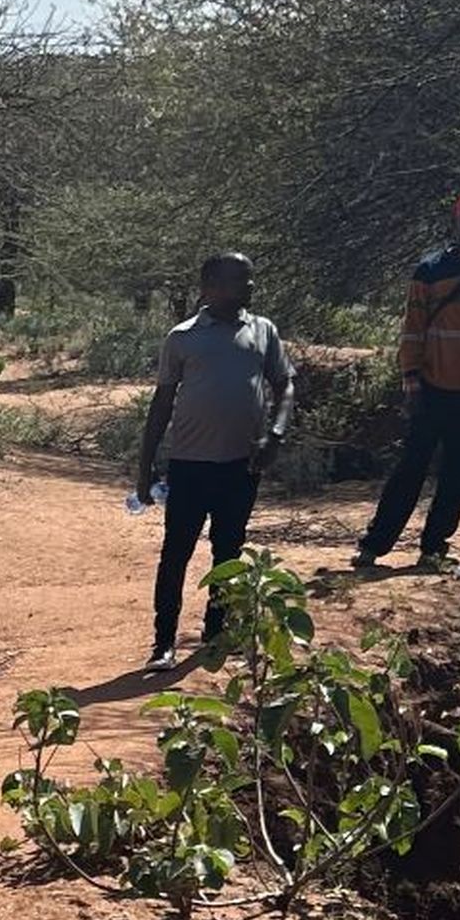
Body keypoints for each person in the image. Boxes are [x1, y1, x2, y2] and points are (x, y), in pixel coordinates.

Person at [130, 250, 294, 673]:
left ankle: (216, 633)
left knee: (229, 553)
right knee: (176, 554)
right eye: (240, 280)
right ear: (210, 287)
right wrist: (145, 467)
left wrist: (276, 432)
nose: (250, 287)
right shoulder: (183, 337)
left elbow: (285, 385)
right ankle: (163, 642)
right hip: (189, 463)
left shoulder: (263, 331)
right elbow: (162, 402)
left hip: (242, 464)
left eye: (251, 279)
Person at [354, 191, 460, 572]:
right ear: (456, 223)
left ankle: (434, 547)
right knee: (411, 467)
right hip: (432, 388)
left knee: (458, 473)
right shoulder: (429, 270)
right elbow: (412, 329)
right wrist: (411, 379)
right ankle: (374, 545)